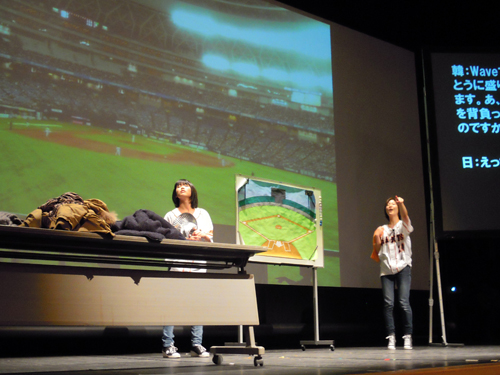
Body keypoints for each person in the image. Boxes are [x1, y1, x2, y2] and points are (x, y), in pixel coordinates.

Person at [162, 179, 213, 359]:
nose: (181, 187)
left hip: (198, 264)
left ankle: (196, 344)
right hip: (178, 264)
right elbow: (167, 240)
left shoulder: (202, 213)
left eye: (185, 185)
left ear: (193, 190)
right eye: (178, 186)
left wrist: (202, 235)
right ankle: (168, 345)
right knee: (172, 305)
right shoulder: (170, 215)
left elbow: (210, 237)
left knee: (197, 305)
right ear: (175, 193)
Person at [371, 196, 414, 350]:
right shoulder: (382, 229)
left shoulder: (404, 226)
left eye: (393, 204)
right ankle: (391, 337)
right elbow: (377, 251)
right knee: (388, 303)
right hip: (386, 269)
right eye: (388, 204)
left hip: (403, 267)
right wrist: (377, 239)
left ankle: (407, 336)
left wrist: (402, 203)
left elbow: (406, 216)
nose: (390, 206)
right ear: (386, 210)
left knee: (403, 302)